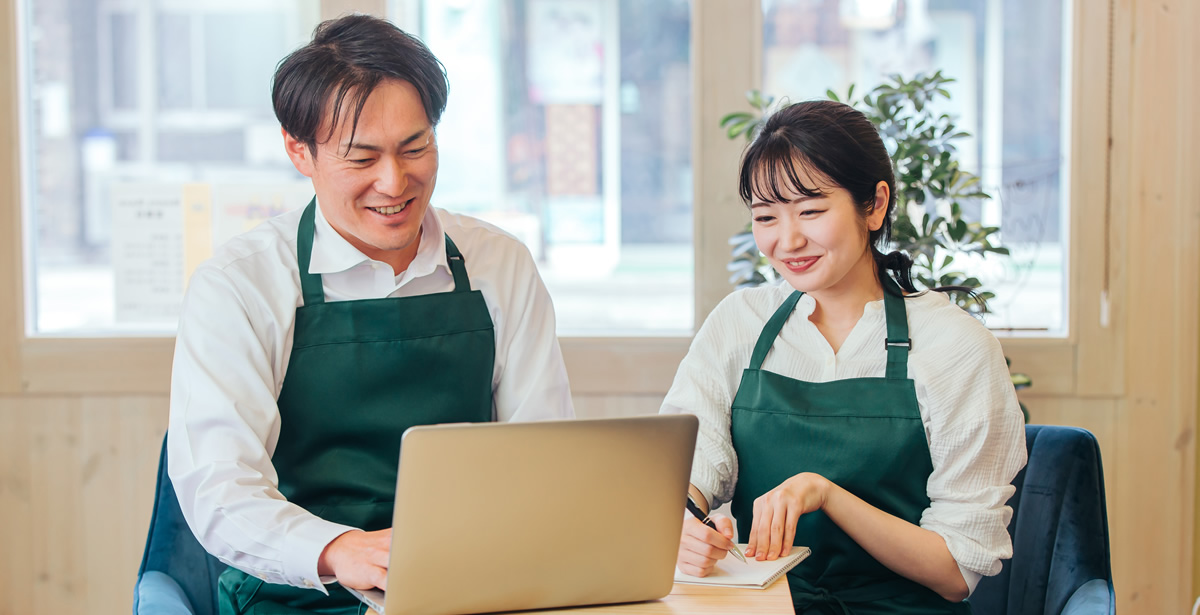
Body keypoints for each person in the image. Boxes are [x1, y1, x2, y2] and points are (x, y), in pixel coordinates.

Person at [166, 14, 574, 615]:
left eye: (416, 148)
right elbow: (219, 491)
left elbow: (543, 453)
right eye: (362, 159)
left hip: (468, 591)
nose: (395, 182)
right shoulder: (240, 285)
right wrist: (340, 549)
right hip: (299, 595)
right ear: (297, 149)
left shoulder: (500, 264)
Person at [661, 100, 1026, 614]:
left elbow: (954, 573)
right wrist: (684, 528)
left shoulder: (954, 346)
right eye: (766, 217)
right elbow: (681, 476)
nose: (787, 240)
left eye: (811, 211)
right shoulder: (739, 322)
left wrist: (827, 494)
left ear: (875, 205)